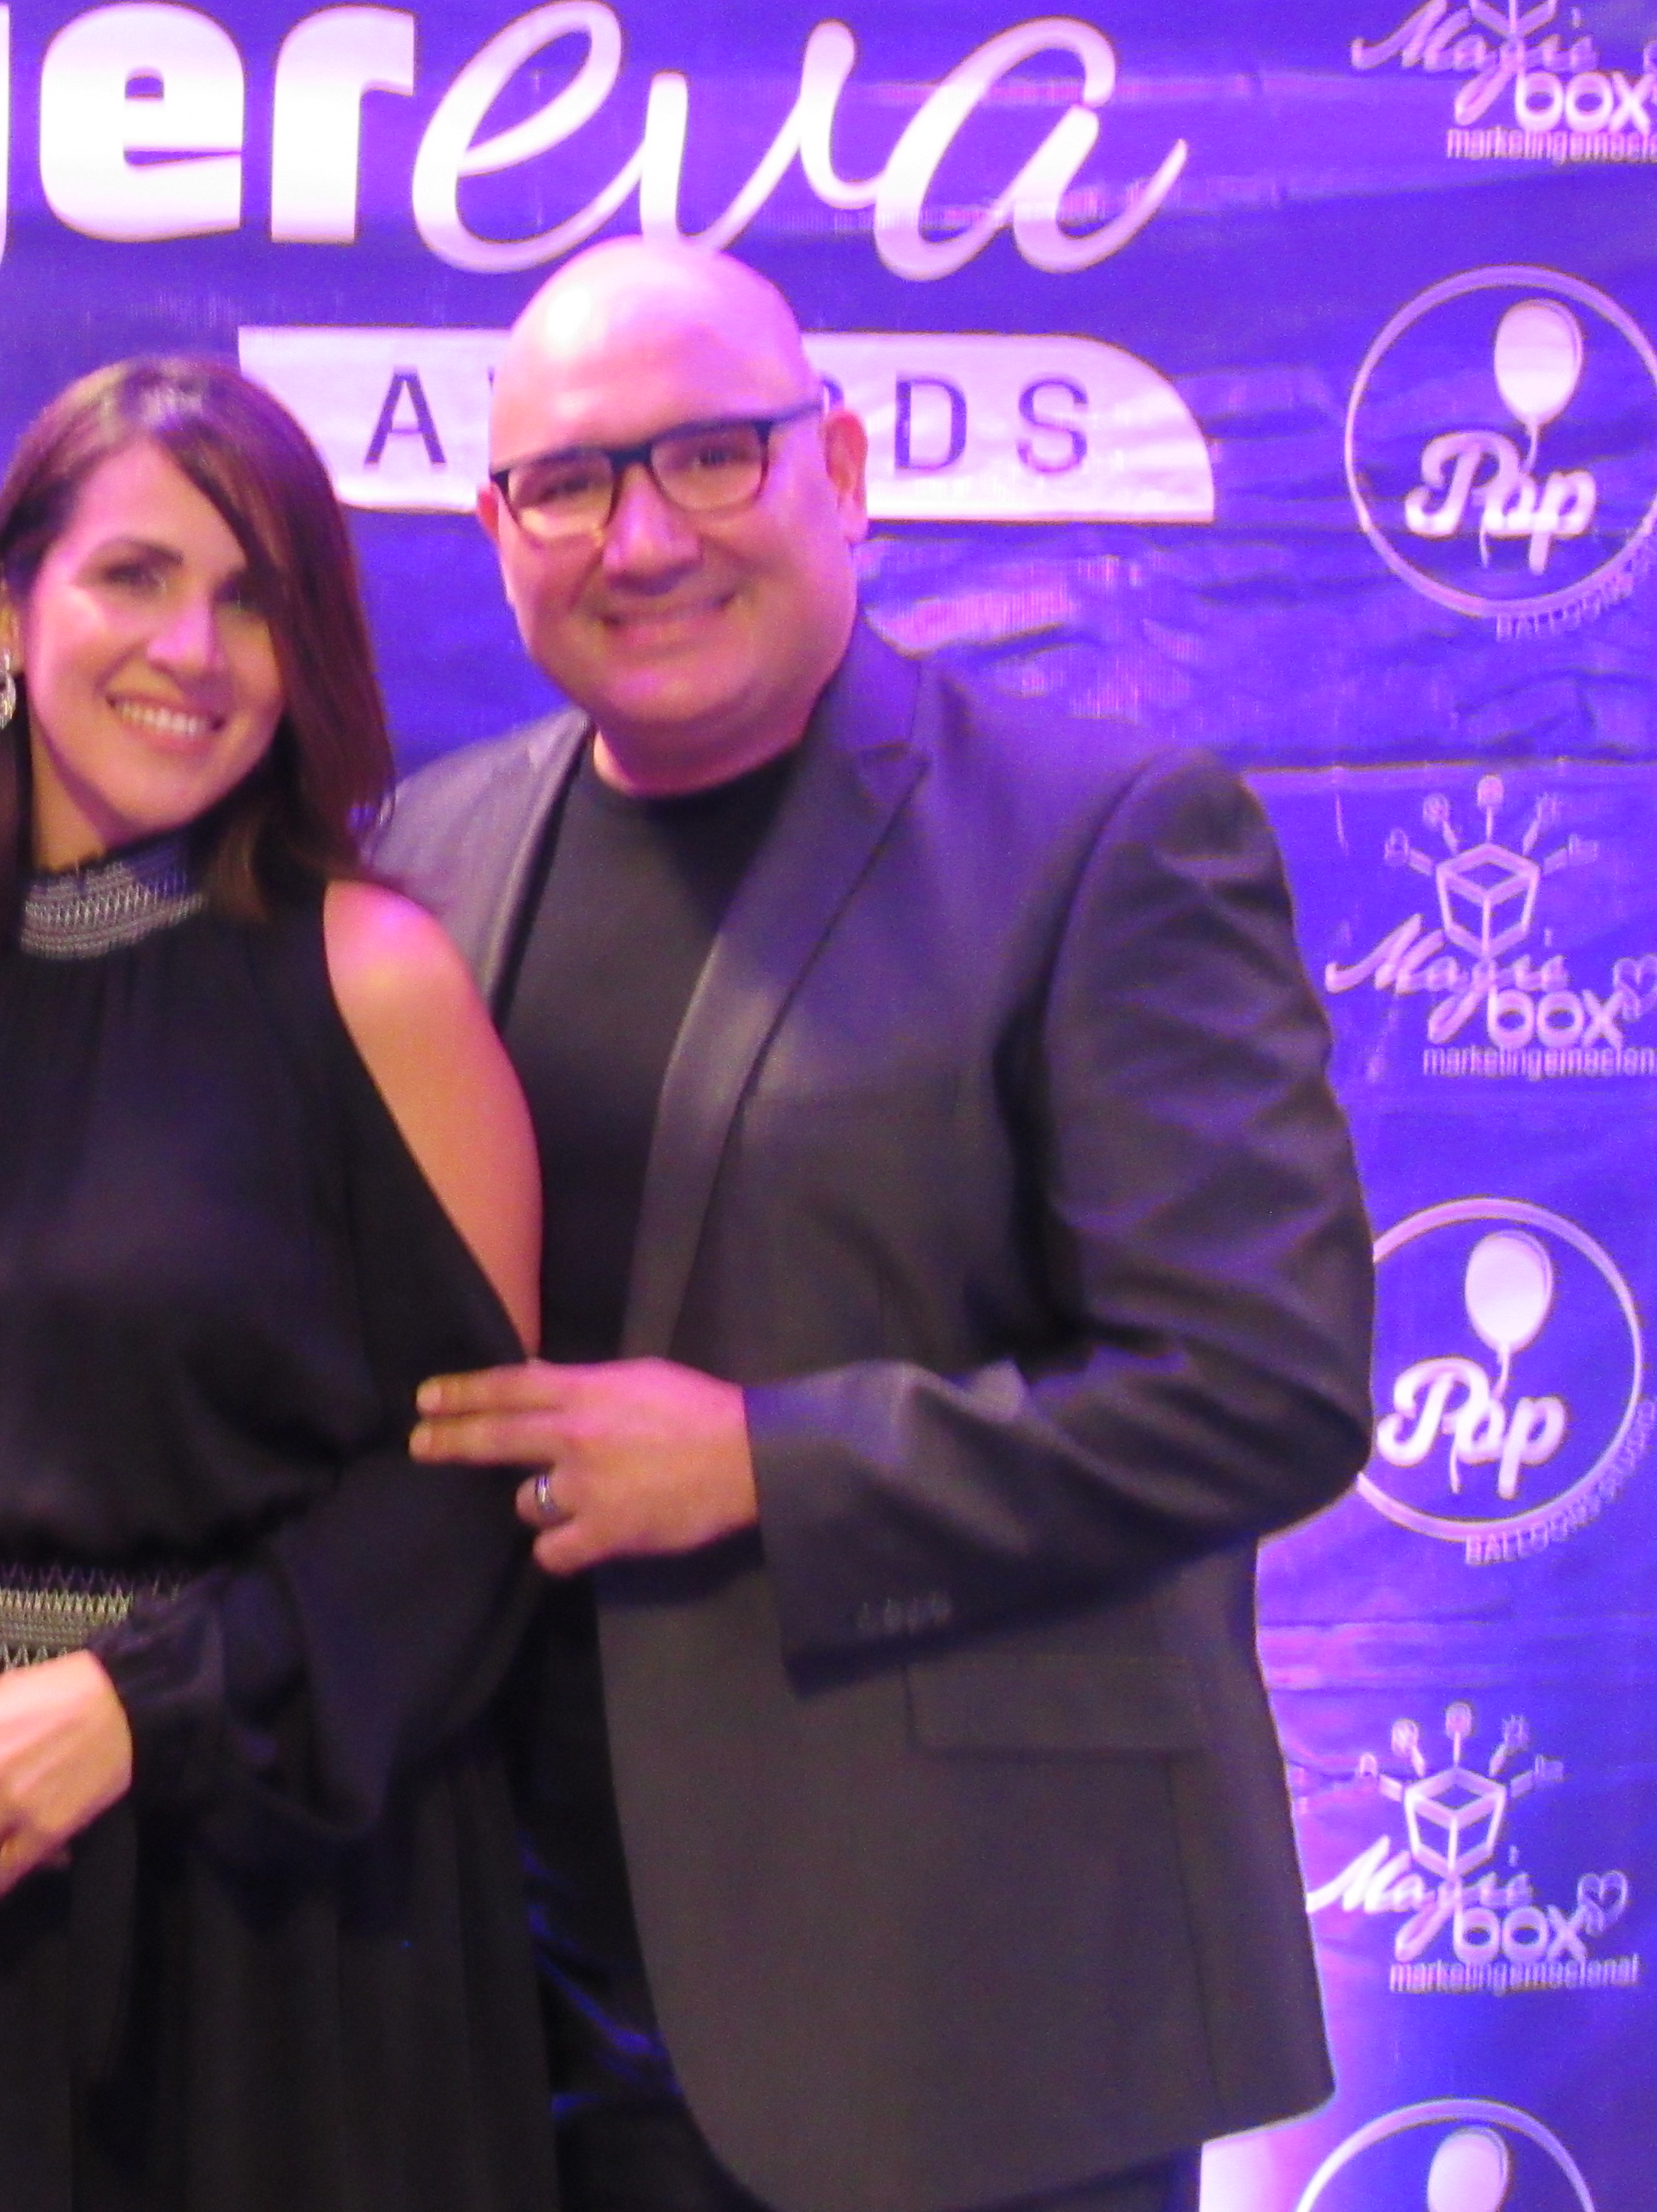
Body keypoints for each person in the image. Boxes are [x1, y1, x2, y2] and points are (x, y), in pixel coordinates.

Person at [382, 239, 1374, 2212]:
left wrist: (764, 1462)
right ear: (498, 533)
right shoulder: (429, 850)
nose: (642, 539)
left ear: (840, 466)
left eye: (711, 457)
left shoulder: (1108, 835)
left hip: (964, 2014)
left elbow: (1261, 1389)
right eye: (568, 485)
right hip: (518, 2010)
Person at [0, 357, 558, 2212]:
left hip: (285, 1951)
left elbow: (471, 1488)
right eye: (137, 577)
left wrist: (128, 1713)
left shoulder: (377, 984)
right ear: (13, 612)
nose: (195, 649)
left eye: (255, 600)